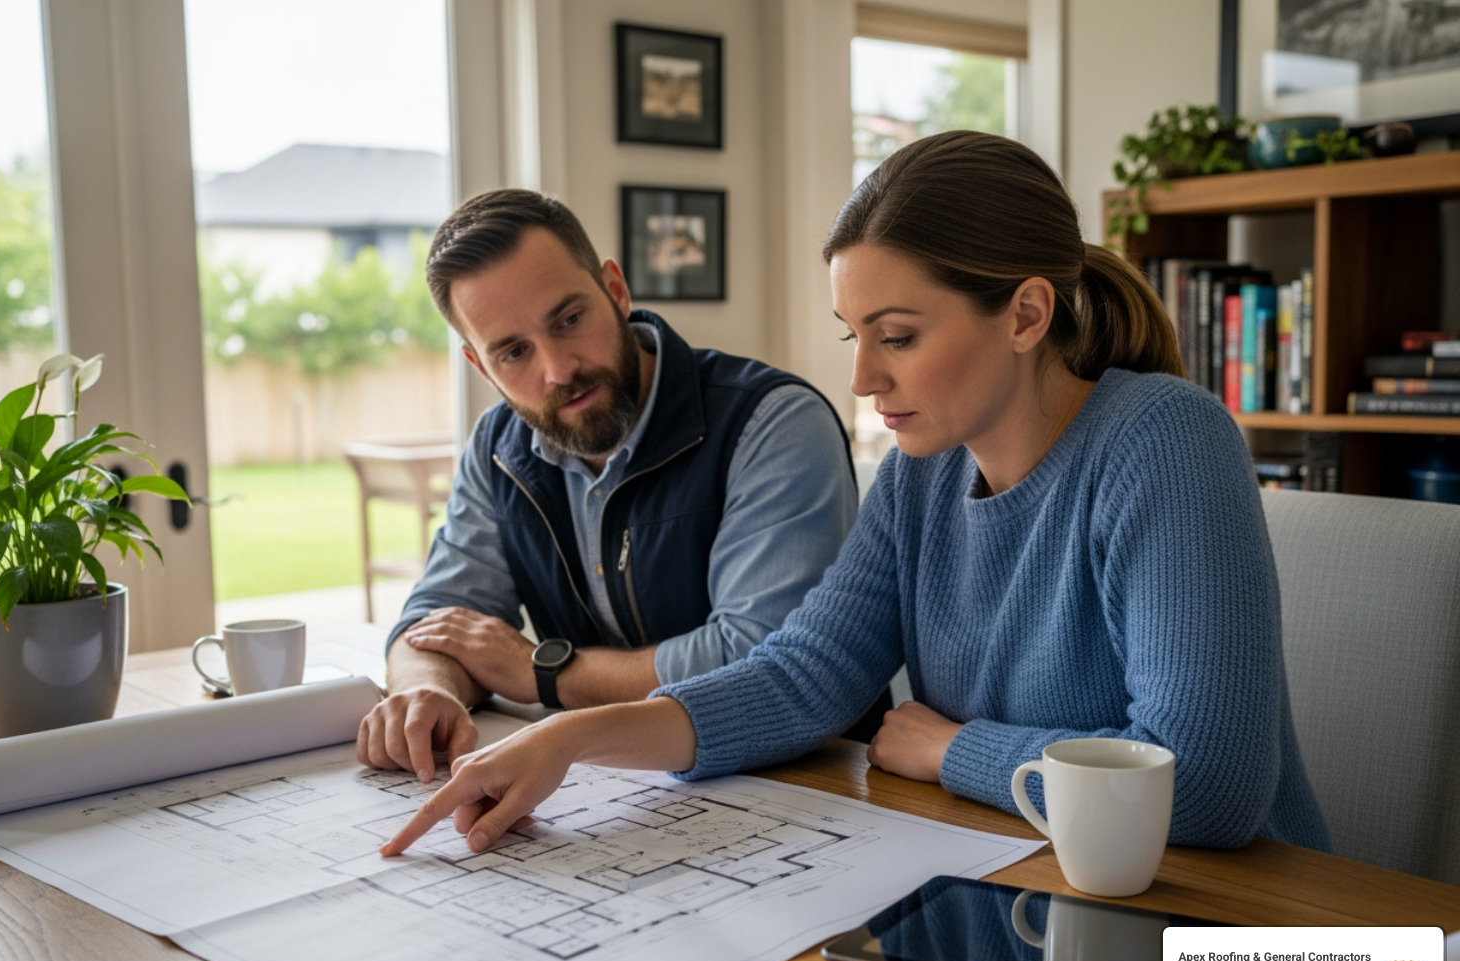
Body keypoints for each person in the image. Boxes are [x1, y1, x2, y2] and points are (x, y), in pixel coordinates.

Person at [379, 132, 1331, 858]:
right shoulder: (923, 471)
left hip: (1258, 937)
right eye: (854, 336)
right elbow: (800, 677)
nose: (865, 379)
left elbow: (1205, 787)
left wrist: (956, 752)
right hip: (1034, 874)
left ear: (1026, 314)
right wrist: (572, 739)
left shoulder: (1165, 440)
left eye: (899, 336)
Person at [356, 188, 858, 785]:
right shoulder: (497, 446)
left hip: (813, 785)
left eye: (569, 320)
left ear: (615, 291)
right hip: (609, 781)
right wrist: (426, 692)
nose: (558, 369)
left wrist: (544, 673)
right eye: (514, 352)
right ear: (481, 368)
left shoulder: (771, 422)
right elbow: (437, 620)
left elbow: (758, 662)